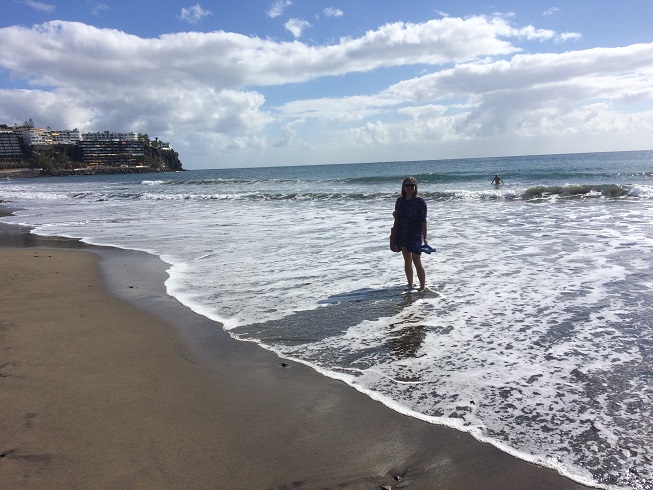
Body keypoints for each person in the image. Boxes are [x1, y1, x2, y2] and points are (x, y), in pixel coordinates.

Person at [392, 177, 428, 291]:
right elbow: (397, 219)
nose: (409, 187)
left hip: (415, 234)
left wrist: (425, 237)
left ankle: (422, 287)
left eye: (411, 185)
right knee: (407, 260)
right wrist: (395, 218)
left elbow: (423, 221)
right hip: (402, 233)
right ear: (403, 187)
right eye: (406, 185)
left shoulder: (420, 202)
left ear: (415, 187)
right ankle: (410, 284)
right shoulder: (400, 201)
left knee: (417, 260)